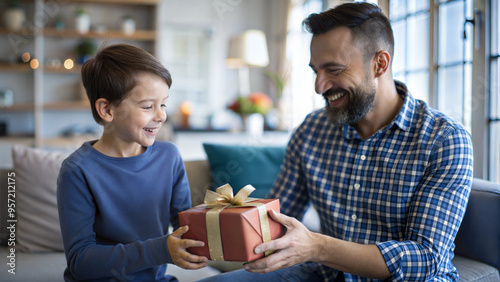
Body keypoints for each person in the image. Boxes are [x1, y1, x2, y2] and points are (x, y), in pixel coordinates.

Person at [200, 2, 473, 281]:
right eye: (315, 70)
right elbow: (279, 219)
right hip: (326, 274)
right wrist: (215, 229)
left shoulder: (444, 140)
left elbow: (425, 259)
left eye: (334, 69)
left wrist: (318, 247)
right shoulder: (311, 130)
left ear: (380, 63)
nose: (319, 86)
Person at [56, 44, 208, 281]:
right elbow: (80, 261)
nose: (161, 115)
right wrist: (161, 249)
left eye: (163, 104)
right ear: (107, 109)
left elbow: (187, 227)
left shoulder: (169, 157)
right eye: (148, 106)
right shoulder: (77, 170)